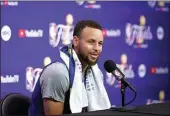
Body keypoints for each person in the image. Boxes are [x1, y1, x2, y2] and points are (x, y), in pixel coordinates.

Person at [28, 20, 111, 116]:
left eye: (100, 43)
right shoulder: (58, 73)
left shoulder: (95, 73)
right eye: (91, 42)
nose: (97, 48)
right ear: (76, 41)